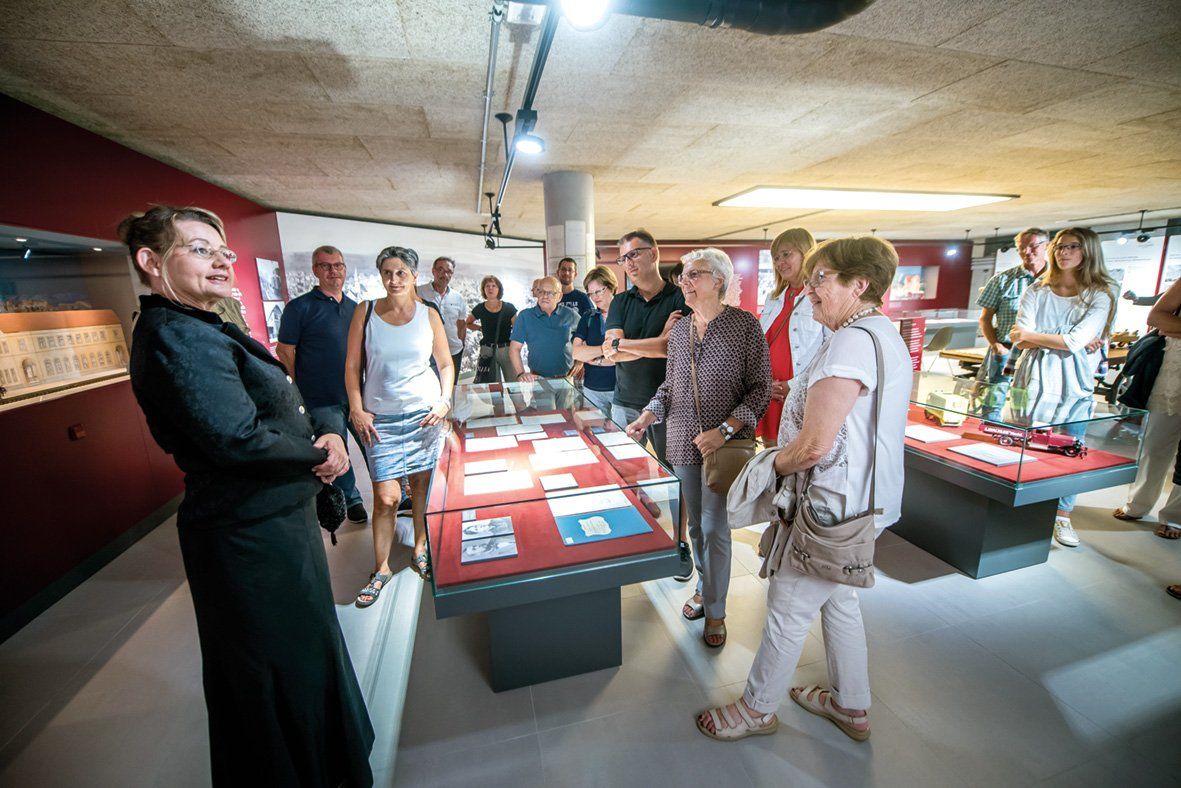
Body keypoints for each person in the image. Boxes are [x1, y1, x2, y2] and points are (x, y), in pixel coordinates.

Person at [122, 205, 373, 785]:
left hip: (271, 522)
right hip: (246, 534)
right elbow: (235, 437)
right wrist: (321, 450)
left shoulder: (199, 324)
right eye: (200, 249)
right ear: (151, 261)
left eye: (223, 250)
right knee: (275, 670)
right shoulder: (174, 336)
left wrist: (319, 432)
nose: (219, 261)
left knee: (302, 657)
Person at [695, 235, 912, 743]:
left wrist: (763, 469)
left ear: (861, 284)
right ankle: (851, 704)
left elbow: (814, 446)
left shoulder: (854, 340)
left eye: (822, 279)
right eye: (810, 278)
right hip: (858, 500)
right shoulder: (875, 332)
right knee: (837, 601)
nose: (809, 289)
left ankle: (756, 709)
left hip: (833, 506)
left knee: (789, 606)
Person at [626, 249, 770, 648]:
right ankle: (705, 589)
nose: (684, 282)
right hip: (681, 440)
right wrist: (648, 416)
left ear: (718, 279)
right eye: (683, 276)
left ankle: (717, 609)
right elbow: (669, 388)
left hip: (723, 448)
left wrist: (724, 429)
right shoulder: (681, 331)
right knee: (693, 527)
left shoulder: (744, 326)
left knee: (714, 527)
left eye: (693, 275)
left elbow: (760, 390)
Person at [347, 246, 453, 592]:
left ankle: (420, 548)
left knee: (421, 488)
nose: (394, 280)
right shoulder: (365, 312)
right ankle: (380, 567)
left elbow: (446, 363)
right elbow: (352, 366)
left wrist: (444, 400)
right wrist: (356, 407)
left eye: (401, 273)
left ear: (414, 276)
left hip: (424, 415)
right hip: (381, 420)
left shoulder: (429, 314)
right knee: (387, 498)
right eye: (388, 273)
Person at [1009, 227, 1116, 548]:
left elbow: (1073, 341)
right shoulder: (1037, 291)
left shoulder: (1099, 295)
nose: (1064, 253)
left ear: (1088, 252)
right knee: (1024, 440)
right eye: (1060, 247)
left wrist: (1040, 336)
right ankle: (1023, 510)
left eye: (1073, 247)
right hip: (1029, 377)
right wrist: (1065, 337)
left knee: (1071, 446)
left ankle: (1063, 515)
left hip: (1075, 382)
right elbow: (1018, 334)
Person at [277, 245, 367, 525]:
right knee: (336, 452)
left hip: (356, 395)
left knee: (372, 445)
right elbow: (285, 351)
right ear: (315, 270)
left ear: (345, 269)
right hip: (320, 397)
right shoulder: (299, 308)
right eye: (326, 266)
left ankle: (395, 494)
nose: (333, 271)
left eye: (338, 265)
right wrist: (296, 389)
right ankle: (351, 499)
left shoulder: (355, 308)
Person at [602, 229, 689, 463]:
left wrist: (623, 344)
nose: (627, 263)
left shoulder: (681, 298)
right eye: (623, 259)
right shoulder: (620, 301)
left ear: (653, 254)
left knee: (673, 471)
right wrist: (659, 340)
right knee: (625, 470)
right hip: (625, 404)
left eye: (633, 255)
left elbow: (670, 350)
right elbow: (611, 353)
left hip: (669, 405)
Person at [1112, 276, 1181, 538]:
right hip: (1174, 372)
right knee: (1155, 442)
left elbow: (1169, 323)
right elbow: (1158, 318)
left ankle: (1175, 517)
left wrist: (1176, 327)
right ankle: (1138, 503)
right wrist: (1169, 326)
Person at [757, 227, 828, 443]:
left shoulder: (822, 296)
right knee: (772, 457)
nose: (780, 263)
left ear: (806, 253)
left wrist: (794, 385)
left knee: (795, 458)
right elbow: (761, 344)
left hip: (801, 394)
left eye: (787, 254)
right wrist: (763, 384)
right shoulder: (774, 297)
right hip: (771, 395)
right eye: (776, 258)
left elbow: (830, 351)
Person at [974, 228, 1049, 416]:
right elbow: (985, 318)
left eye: (1033, 246)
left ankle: (1020, 436)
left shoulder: (1056, 282)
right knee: (994, 396)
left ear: (1045, 246)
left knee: (1028, 399)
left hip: (1039, 351)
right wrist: (995, 344)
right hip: (1007, 348)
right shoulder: (1002, 280)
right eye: (1022, 248)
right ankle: (990, 430)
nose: (1027, 252)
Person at [509, 275, 579, 381]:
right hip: (538, 379)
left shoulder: (571, 315)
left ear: (559, 296)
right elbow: (514, 348)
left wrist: (580, 362)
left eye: (550, 293)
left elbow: (586, 340)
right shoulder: (525, 316)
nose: (544, 296)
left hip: (566, 378)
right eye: (541, 291)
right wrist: (521, 373)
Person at [571, 265, 619, 412]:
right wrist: (607, 350)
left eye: (598, 291)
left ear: (610, 287)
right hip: (592, 389)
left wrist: (595, 358)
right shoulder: (588, 317)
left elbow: (624, 356)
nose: (595, 297)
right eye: (590, 293)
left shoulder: (626, 314)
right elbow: (577, 353)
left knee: (621, 434)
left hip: (621, 391)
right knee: (595, 433)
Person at [416, 255, 467, 376]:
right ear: (433, 271)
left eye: (449, 272)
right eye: (440, 269)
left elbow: (461, 325)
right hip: (427, 352)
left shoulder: (458, 298)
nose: (444, 274)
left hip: (453, 351)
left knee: (450, 387)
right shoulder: (419, 292)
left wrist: (461, 343)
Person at [466, 274, 519, 384]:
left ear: (499, 289)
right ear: (483, 289)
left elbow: (517, 329)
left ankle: (518, 402)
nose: (490, 288)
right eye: (487, 286)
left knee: (514, 385)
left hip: (507, 350)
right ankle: (498, 402)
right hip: (488, 351)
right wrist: (480, 328)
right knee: (494, 387)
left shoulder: (509, 308)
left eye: (494, 286)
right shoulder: (480, 308)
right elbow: (468, 323)